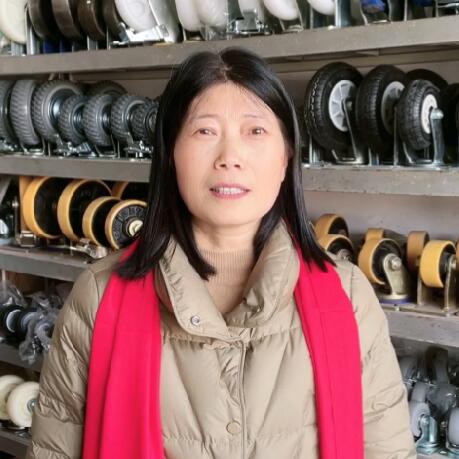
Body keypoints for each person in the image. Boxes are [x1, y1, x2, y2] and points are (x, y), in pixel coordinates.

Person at [26, 47, 416, 459]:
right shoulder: (98, 297)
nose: (229, 158)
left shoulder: (348, 297)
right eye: (205, 132)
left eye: (255, 131)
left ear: (286, 156)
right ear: (170, 154)